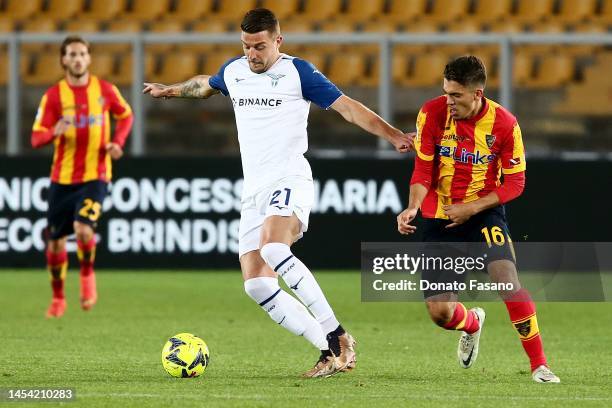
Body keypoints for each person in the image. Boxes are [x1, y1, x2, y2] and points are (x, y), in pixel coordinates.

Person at [143, 8, 413, 377]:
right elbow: (206, 84)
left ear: (277, 41)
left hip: (289, 179)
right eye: (246, 46)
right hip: (253, 190)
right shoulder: (235, 71)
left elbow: (348, 108)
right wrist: (171, 91)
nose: (252, 54)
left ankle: (338, 335)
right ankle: (327, 351)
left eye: (259, 46)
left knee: (274, 248)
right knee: (256, 283)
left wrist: (394, 135)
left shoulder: (297, 72)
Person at [397, 55, 560, 383]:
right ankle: (472, 323)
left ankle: (539, 365)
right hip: (438, 217)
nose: (449, 101)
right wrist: (413, 206)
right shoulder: (432, 113)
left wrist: (472, 208)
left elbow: (515, 182)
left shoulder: (504, 124)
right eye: (446, 92)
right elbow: (423, 169)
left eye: (456, 95)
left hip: (483, 215)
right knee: (441, 314)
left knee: (507, 282)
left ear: (478, 94)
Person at [31, 36, 133, 318]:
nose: (77, 59)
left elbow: (126, 115)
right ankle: (58, 297)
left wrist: (118, 143)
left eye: (82, 54)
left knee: (84, 229)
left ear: (88, 59)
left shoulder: (104, 90)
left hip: (96, 175)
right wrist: (55, 132)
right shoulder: (53, 96)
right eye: (72, 54)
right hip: (62, 179)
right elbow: (36, 137)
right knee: (55, 242)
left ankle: (87, 275)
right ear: (64, 60)